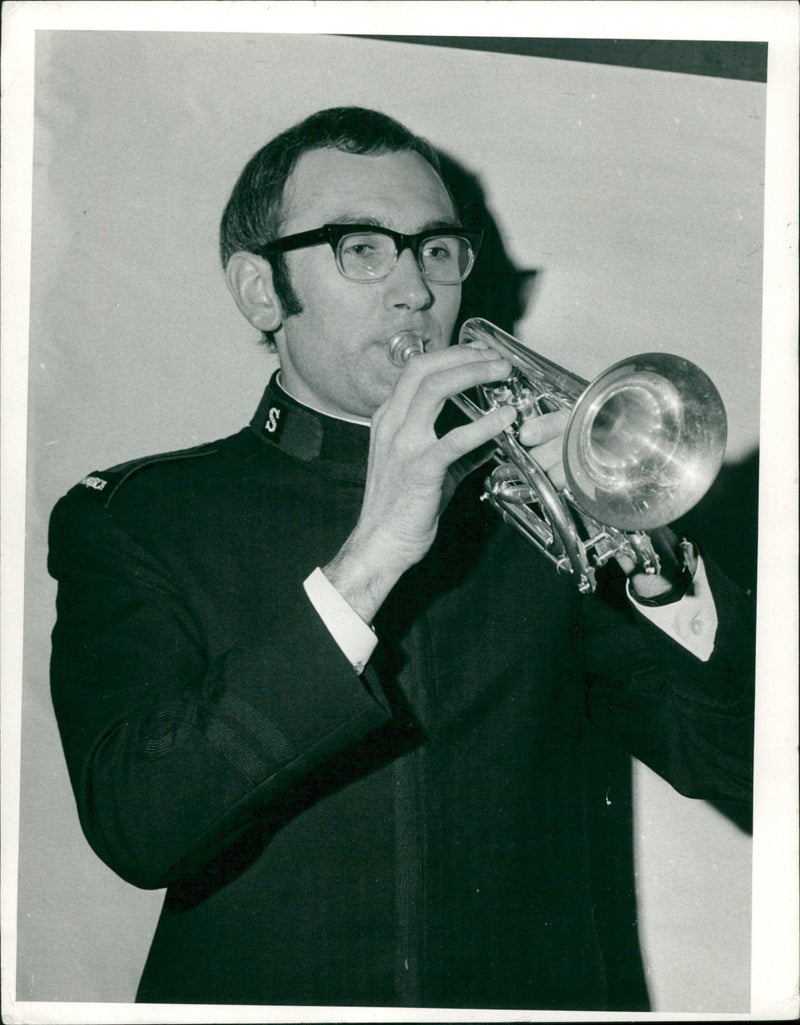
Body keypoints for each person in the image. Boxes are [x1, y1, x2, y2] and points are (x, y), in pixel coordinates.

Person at [48, 107, 755, 1010]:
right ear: (262, 292)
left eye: (435, 250)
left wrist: (657, 568)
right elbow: (137, 826)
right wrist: (369, 560)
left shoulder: (537, 508)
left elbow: (739, 769)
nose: (416, 290)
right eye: (362, 248)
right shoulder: (142, 520)